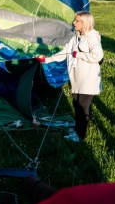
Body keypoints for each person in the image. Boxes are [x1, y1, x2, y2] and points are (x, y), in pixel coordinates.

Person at [37, 11, 103, 142]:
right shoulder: (75, 37)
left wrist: (78, 55)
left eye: (77, 21)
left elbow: (98, 56)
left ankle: (81, 136)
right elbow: (65, 52)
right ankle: (77, 130)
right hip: (77, 78)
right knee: (76, 104)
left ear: (85, 23)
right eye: (75, 20)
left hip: (88, 79)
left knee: (82, 107)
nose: (74, 23)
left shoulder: (92, 37)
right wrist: (47, 59)